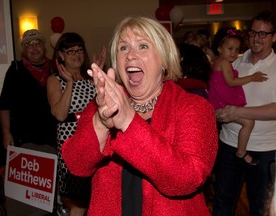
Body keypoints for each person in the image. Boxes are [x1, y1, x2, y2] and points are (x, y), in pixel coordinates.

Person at [61, 16, 218, 215]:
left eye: (143, 46)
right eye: (123, 48)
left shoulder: (194, 107)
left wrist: (128, 121)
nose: (130, 56)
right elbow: (77, 165)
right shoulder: (102, 104)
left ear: (164, 59)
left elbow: (188, 179)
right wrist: (101, 123)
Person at [213, 10, 276, 215]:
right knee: (222, 204)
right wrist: (218, 114)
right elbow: (218, 92)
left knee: (261, 208)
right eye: (253, 32)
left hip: (264, 150)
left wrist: (239, 111)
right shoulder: (235, 60)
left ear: (274, 37)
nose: (256, 38)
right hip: (228, 145)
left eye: (263, 34)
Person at [47, 32, 106, 216]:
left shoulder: (90, 78)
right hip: (71, 142)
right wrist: (70, 82)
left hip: (95, 141)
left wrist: (100, 77)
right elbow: (59, 114)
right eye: (70, 50)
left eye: (79, 49)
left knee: (97, 197)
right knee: (77, 204)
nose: (76, 54)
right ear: (61, 55)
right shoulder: (54, 80)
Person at [209, 27, 268, 165]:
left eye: (237, 49)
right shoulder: (223, 62)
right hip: (221, 105)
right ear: (219, 48)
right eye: (230, 48)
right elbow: (232, 81)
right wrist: (252, 77)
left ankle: (241, 151)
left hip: (219, 104)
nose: (234, 53)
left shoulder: (218, 62)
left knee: (247, 123)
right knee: (249, 122)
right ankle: (241, 152)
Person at [0, 29, 57, 153]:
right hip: (23, 139)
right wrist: (6, 133)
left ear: (44, 46)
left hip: (52, 139)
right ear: (24, 49)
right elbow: (4, 105)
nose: (34, 48)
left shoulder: (55, 68)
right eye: (29, 45)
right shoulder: (15, 70)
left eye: (38, 43)